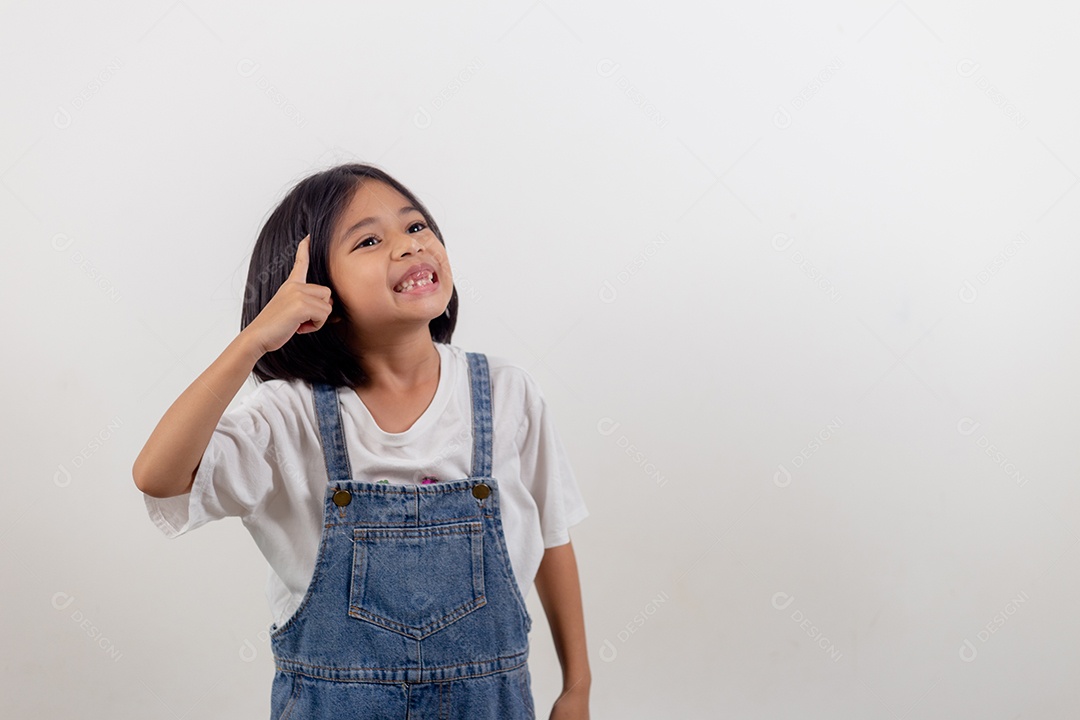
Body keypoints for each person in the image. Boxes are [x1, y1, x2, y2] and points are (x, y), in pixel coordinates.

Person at [132, 163, 592, 719]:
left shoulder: (505, 392)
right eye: (370, 240)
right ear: (313, 290)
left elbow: (552, 535)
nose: (407, 247)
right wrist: (253, 341)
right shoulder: (288, 414)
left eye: (416, 227)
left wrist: (577, 687)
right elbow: (158, 476)